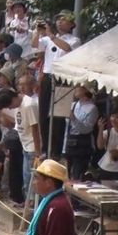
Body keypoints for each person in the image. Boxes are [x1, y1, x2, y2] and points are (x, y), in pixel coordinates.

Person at [33, 12, 81, 158]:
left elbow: (67, 48)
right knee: (43, 114)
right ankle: (45, 149)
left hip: (62, 78)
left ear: (71, 24)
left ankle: (55, 152)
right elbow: (34, 45)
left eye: (63, 20)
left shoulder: (74, 40)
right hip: (48, 76)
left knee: (58, 116)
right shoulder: (48, 38)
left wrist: (51, 36)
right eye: (58, 19)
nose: (59, 22)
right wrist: (37, 31)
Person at [95, 108, 118, 180]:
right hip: (105, 168)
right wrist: (101, 129)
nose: (113, 119)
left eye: (117, 117)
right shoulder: (108, 132)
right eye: (112, 116)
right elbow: (100, 146)